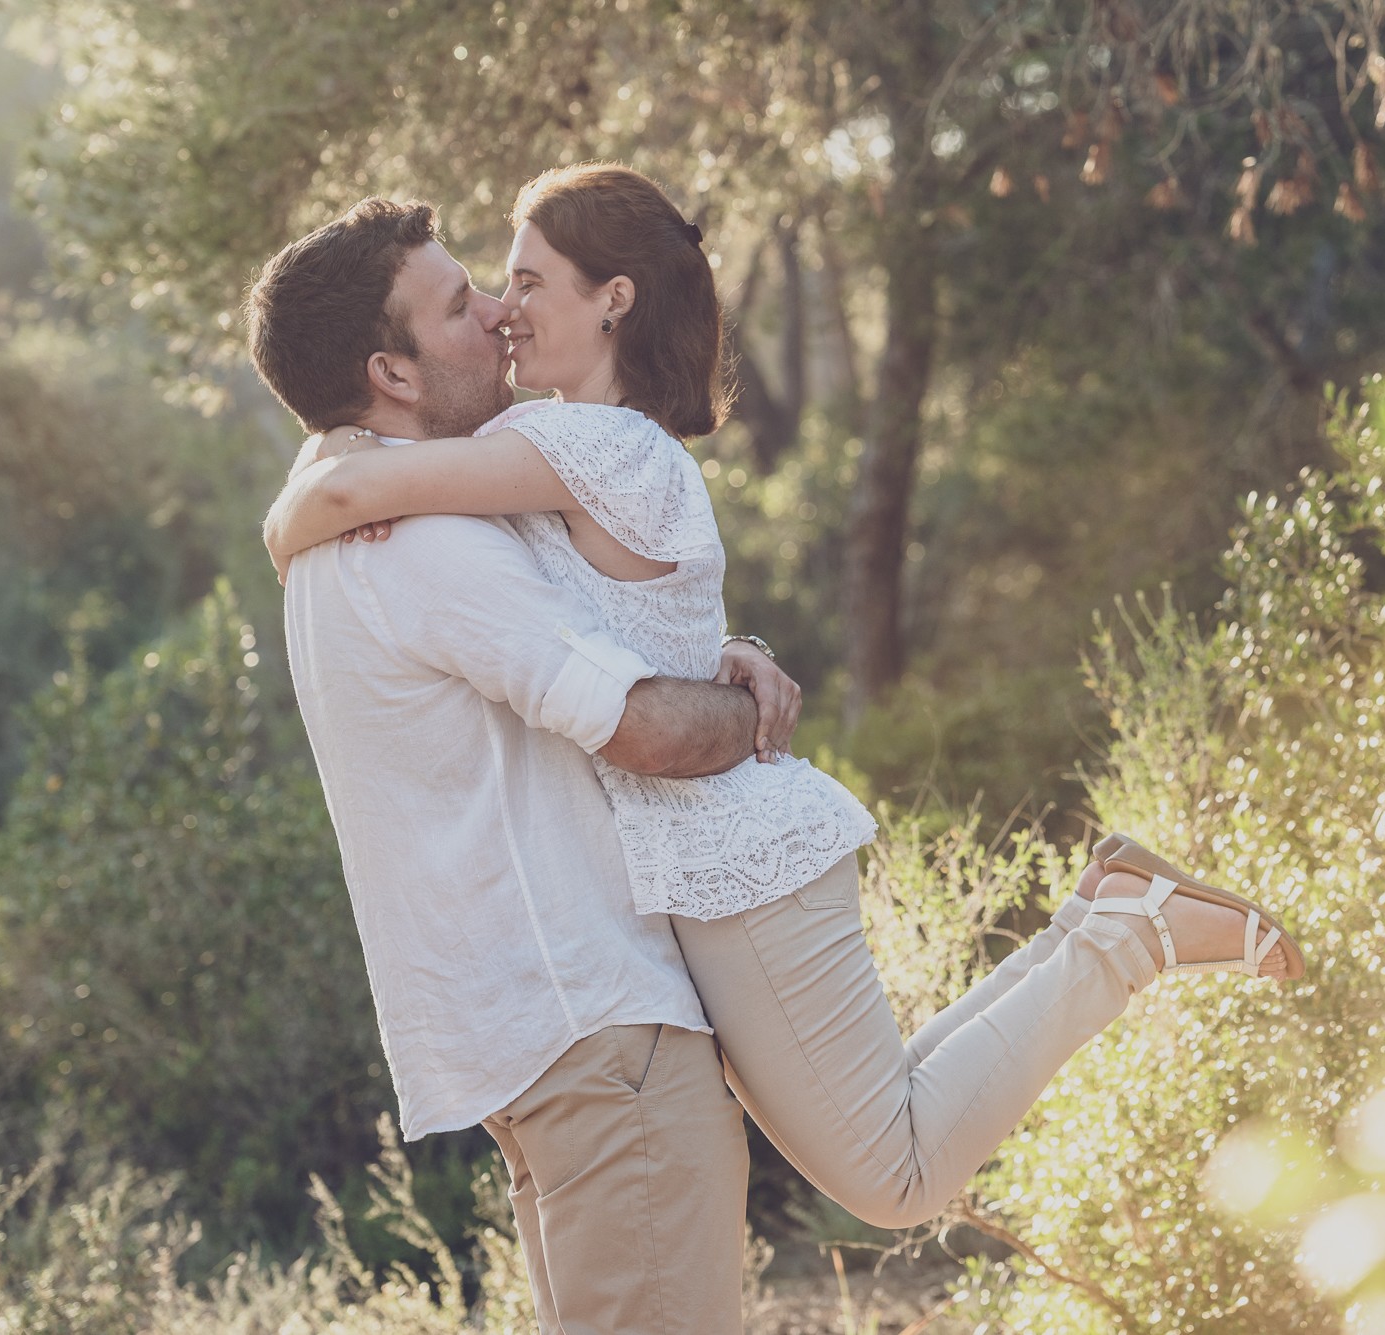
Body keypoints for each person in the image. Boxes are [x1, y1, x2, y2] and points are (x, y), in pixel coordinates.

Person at [261, 164, 1308, 1253]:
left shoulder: (584, 445)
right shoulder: (562, 450)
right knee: (890, 1129)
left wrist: (296, 517)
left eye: (524, 282)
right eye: (486, 292)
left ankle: (1125, 934)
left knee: (894, 1178)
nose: (503, 311)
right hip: (706, 866)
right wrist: (732, 651)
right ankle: (1103, 914)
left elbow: (352, 492)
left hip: (732, 860)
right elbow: (589, 611)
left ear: (611, 299)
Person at [245, 199, 799, 1334]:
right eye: (460, 305)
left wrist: (713, 653)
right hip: (599, 1038)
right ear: (389, 372)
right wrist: (748, 707)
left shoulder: (339, 528)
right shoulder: (432, 546)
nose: (498, 314)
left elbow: (595, 638)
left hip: (539, 1053)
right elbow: (645, 728)